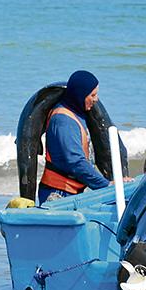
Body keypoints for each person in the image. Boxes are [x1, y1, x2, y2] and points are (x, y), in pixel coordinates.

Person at [37, 70, 109, 204]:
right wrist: (107, 186)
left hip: (72, 192)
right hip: (58, 194)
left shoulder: (76, 113)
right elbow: (76, 162)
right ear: (80, 95)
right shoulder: (64, 121)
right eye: (92, 95)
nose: (96, 99)